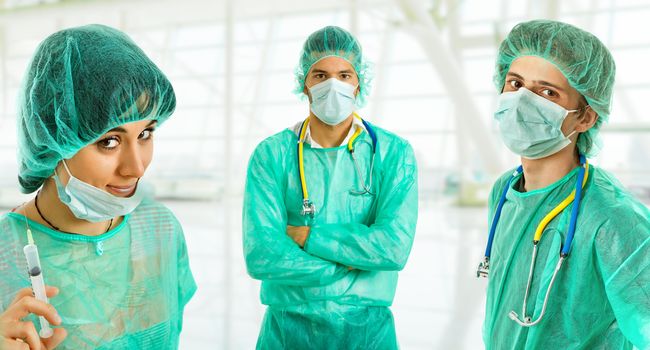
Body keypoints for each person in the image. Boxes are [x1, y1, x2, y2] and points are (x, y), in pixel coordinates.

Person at [0, 24, 196, 349]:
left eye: (146, 134)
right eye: (109, 141)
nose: (136, 167)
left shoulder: (160, 229)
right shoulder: (5, 253)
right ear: (52, 138)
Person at [242, 26, 418, 349]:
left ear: (359, 83)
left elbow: (393, 248)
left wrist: (308, 237)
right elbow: (262, 254)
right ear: (303, 84)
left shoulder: (393, 154)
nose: (332, 85)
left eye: (344, 75)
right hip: (286, 333)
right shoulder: (271, 155)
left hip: (369, 336)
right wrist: (355, 267)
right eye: (320, 75)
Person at [478, 19, 650, 349]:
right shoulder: (505, 192)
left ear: (585, 117)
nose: (522, 101)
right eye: (515, 84)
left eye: (547, 92)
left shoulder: (611, 216)